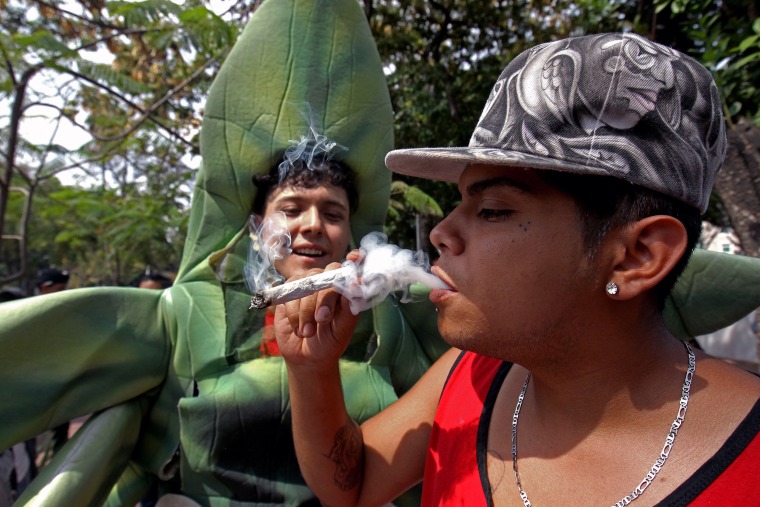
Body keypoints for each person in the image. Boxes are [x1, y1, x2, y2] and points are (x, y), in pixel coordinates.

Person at [275, 33, 760, 506]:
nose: (443, 232)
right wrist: (312, 368)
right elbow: (352, 487)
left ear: (639, 256)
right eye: (460, 202)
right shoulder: (472, 375)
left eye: (493, 210)